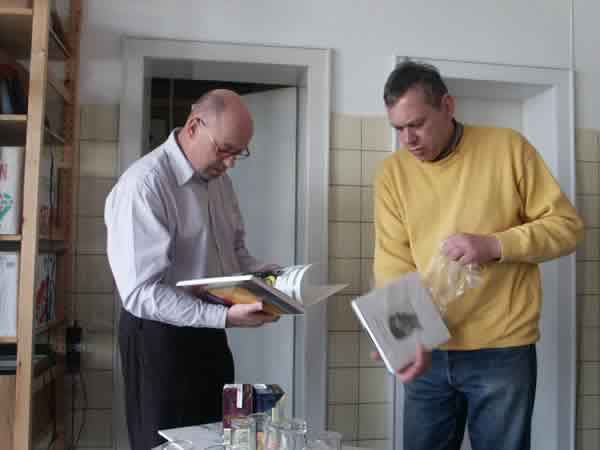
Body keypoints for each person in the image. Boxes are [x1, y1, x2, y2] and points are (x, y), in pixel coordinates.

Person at [373, 60, 584, 450]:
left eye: (417, 124)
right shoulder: (392, 173)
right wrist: (405, 338)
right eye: (398, 128)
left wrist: (495, 245)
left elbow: (567, 228)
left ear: (447, 106)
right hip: (428, 351)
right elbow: (392, 263)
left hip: (502, 349)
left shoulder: (509, 148)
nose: (408, 140)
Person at [105, 89, 279, 450]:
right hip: (157, 337)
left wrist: (276, 281)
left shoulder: (219, 180)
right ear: (194, 126)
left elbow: (236, 253)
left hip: (209, 332)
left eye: (239, 153)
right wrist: (224, 318)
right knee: (164, 445)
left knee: (217, 440)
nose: (231, 163)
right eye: (225, 149)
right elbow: (140, 293)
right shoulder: (144, 185)